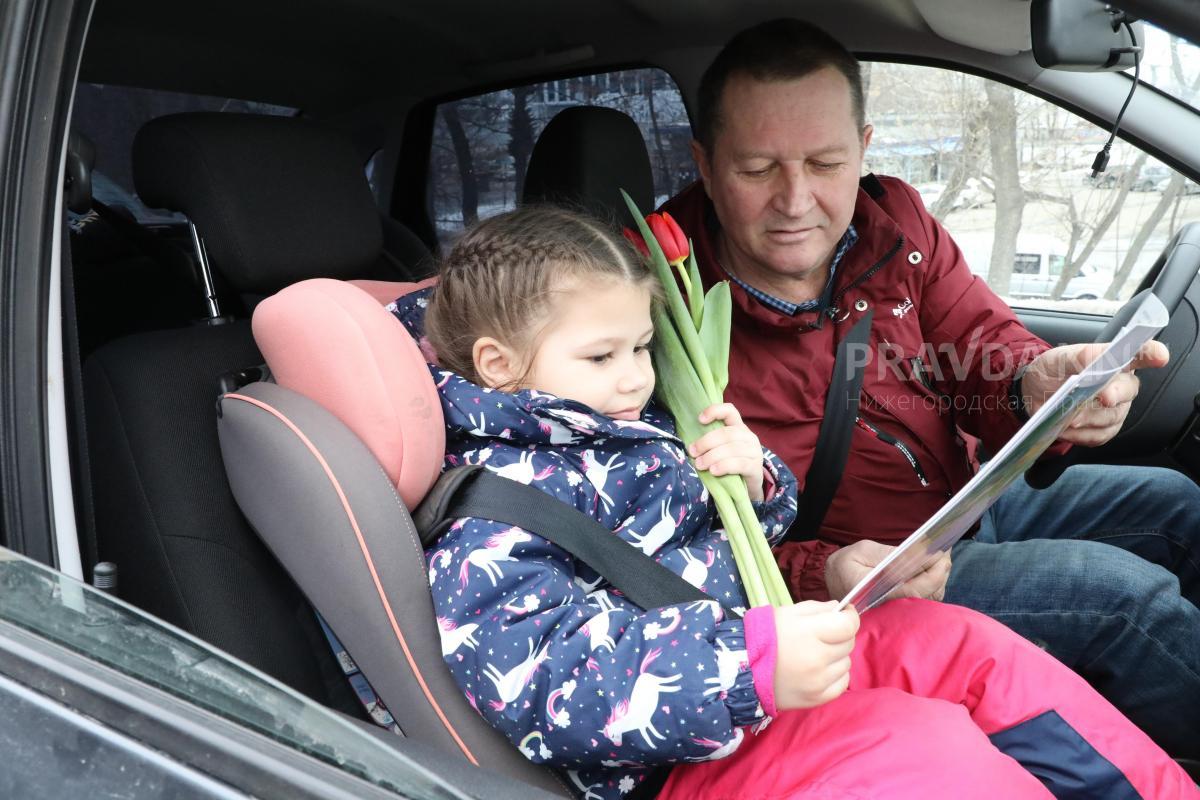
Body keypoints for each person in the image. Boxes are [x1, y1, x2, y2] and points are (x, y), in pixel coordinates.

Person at [388, 205, 1196, 799]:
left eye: (641, 346)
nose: (637, 375)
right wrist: (750, 664)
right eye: (603, 355)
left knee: (957, 642)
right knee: (922, 744)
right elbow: (558, 683)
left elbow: (744, 534)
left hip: (761, 659)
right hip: (687, 752)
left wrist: (755, 481)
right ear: (497, 363)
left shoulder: (619, 424)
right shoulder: (488, 529)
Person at [659, 18, 1200, 760]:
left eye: (824, 162)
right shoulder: (659, 313)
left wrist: (1032, 382)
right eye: (758, 169)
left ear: (864, 148)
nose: (794, 200)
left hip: (960, 506)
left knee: (1177, 503)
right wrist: (825, 574)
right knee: (1122, 599)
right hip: (870, 582)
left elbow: (977, 340)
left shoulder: (894, 224)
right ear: (706, 164)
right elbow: (673, 543)